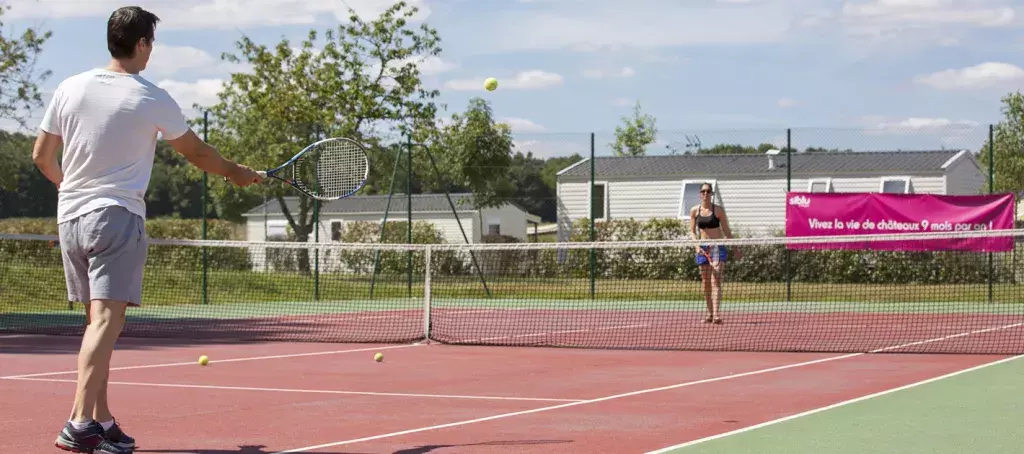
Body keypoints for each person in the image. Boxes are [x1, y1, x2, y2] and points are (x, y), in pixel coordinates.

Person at [31, 6, 263, 453]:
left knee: (97, 325)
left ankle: (102, 420)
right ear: (141, 45)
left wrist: (73, 189)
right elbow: (196, 152)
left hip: (70, 220)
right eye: (151, 43)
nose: (152, 50)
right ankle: (79, 421)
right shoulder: (150, 96)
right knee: (105, 322)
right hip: (115, 217)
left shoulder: (69, 87)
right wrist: (235, 172)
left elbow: (42, 156)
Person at [688, 182, 740, 324]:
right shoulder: (694, 211)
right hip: (703, 248)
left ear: (711, 194)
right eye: (703, 191)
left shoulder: (718, 210)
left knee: (716, 279)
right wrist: (696, 245)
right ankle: (709, 313)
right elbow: (692, 232)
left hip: (717, 247)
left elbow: (727, 231)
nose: (706, 193)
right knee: (705, 283)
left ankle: (716, 314)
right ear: (700, 194)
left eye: (708, 191)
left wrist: (735, 249)